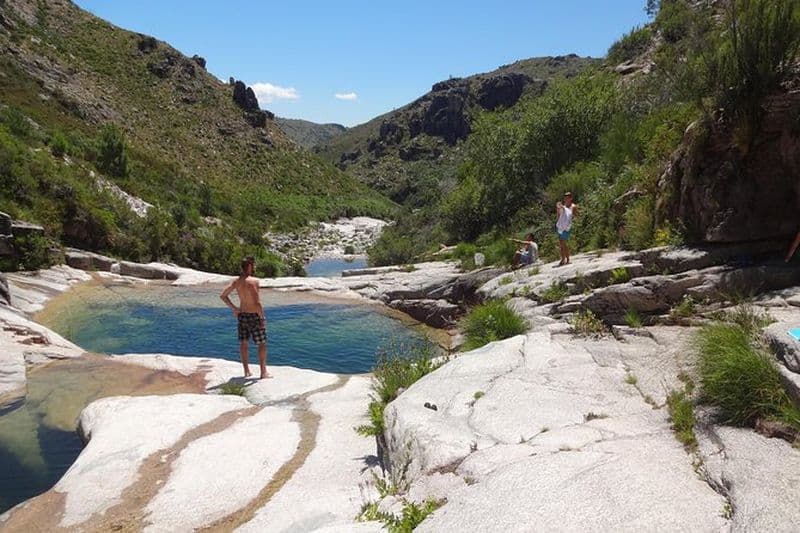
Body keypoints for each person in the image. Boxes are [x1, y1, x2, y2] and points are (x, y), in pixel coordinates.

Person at [220, 257, 271, 379]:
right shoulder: (253, 281)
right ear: (249, 266)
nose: (253, 267)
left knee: (244, 343)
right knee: (262, 343)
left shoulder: (236, 281)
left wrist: (235, 309)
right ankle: (263, 372)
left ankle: (246, 371)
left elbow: (223, 296)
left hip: (242, 315)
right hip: (254, 316)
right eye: (252, 265)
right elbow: (257, 302)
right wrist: (262, 317)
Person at [556, 192, 578, 266]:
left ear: (571, 198)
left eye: (568, 197)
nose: (566, 199)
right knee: (561, 243)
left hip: (567, 227)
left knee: (563, 243)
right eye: (565, 197)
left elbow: (575, 217)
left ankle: (565, 259)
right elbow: (559, 215)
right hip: (561, 226)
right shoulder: (563, 206)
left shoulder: (573, 206)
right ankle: (564, 258)